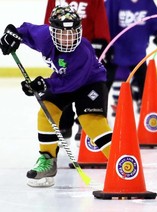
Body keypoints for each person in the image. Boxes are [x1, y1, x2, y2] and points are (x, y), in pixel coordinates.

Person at [0, 5, 112, 187]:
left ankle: (120, 160)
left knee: (92, 123)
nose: (67, 39)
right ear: (52, 32)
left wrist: (44, 84)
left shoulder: (83, 50)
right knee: (46, 113)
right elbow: (26, 30)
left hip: (90, 83)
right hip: (62, 78)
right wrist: (13, 35)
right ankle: (48, 161)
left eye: (72, 33)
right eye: (62, 34)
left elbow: (72, 83)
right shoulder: (44, 36)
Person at [44, 0, 112, 142]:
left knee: (88, 87)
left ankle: (85, 122)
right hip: (64, 52)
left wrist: (101, 41)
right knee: (64, 87)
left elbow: (100, 19)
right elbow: (48, 24)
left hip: (86, 53)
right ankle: (64, 123)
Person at [105, 0, 157, 116]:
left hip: (138, 53)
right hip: (116, 51)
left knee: (143, 81)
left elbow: (155, 20)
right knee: (105, 83)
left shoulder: (147, 2)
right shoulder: (114, 2)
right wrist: (106, 43)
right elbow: (106, 21)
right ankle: (100, 110)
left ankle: (143, 104)